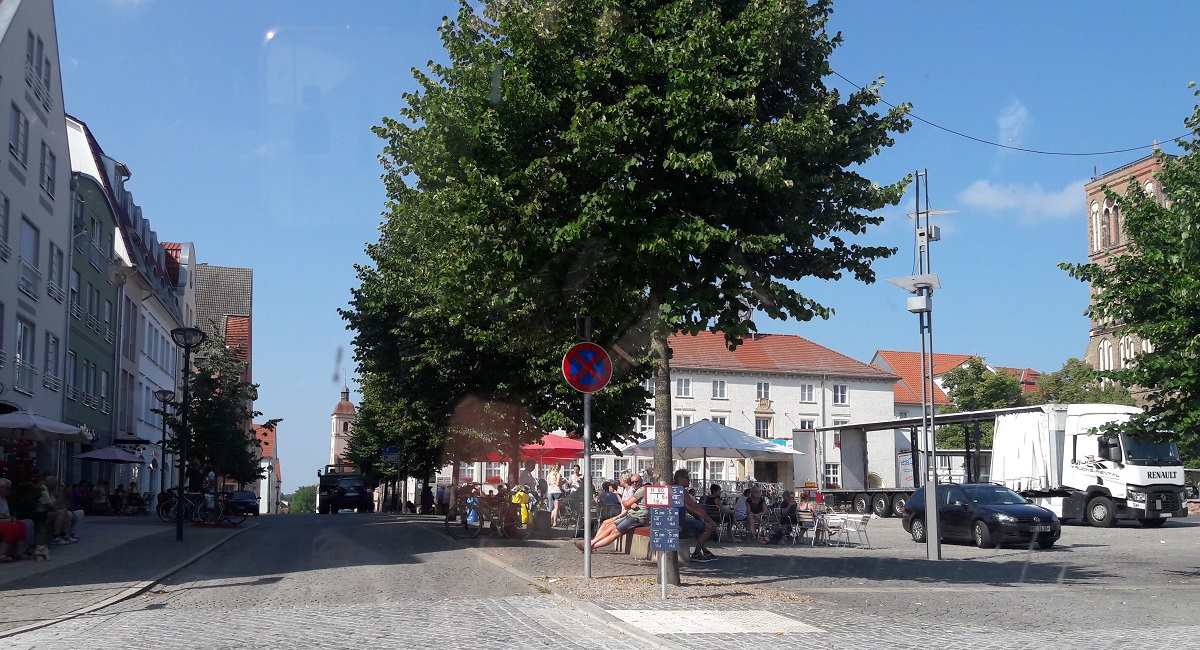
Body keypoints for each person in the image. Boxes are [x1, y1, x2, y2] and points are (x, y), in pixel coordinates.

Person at [576, 474, 647, 552]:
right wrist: (628, 503)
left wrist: (627, 504)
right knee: (610, 526)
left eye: (636, 481)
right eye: (632, 482)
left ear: (641, 481)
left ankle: (590, 546)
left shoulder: (639, 490)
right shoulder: (633, 490)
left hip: (636, 517)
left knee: (615, 532)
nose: (634, 483)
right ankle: (591, 543)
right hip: (630, 514)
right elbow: (628, 504)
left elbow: (626, 505)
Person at [672, 469, 717, 562]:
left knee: (698, 526)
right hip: (679, 521)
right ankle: (696, 554)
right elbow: (695, 507)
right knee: (708, 528)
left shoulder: (673, 489)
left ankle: (705, 550)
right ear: (681, 478)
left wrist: (699, 517)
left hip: (674, 521)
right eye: (687, 478)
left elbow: (688, 508)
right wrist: (710, 521)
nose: (689, 480)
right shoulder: (681, 491)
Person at [0, 478, 30, 561]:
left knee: (22, 524)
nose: (9, 490)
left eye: (10, 488)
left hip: (4, 521)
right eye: (7, 488)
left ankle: (19, 552)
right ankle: (1, 554)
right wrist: (8, 520)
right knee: (13, 527)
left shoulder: (4, 499)